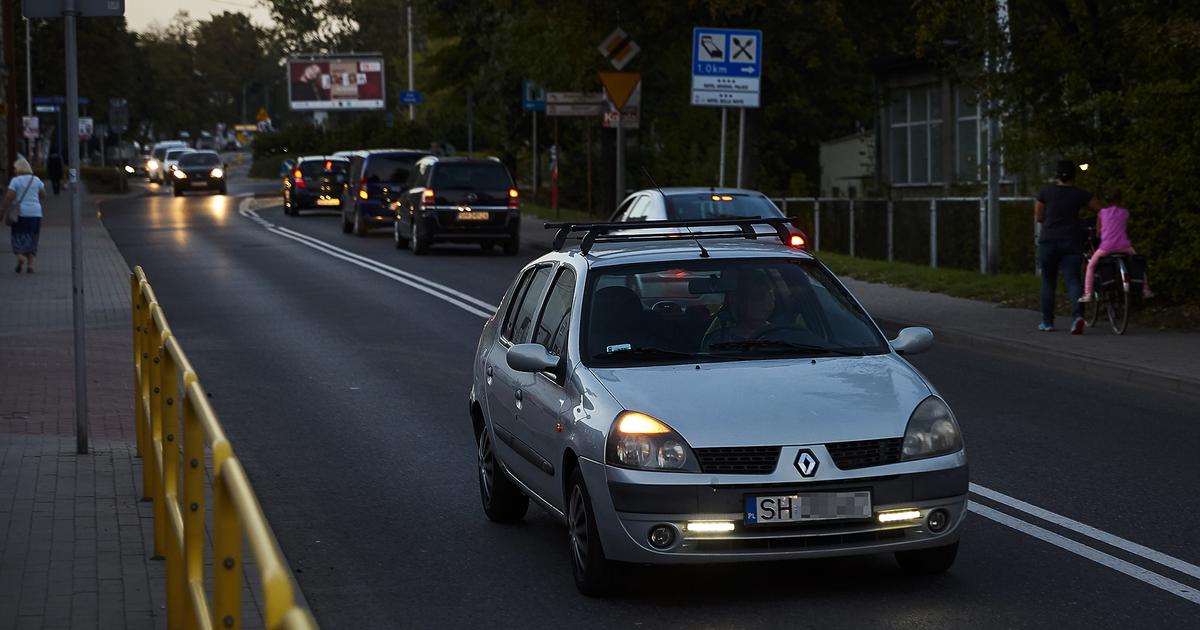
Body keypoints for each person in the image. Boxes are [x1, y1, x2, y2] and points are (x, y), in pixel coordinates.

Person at [1035, 160, 1100, 334]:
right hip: (1072, 241)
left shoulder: (1045, 192)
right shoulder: (1080, 194)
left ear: (1057, 175)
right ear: (1074, 175)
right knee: (1073, 280)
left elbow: (1039, 217)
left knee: (1048, 282)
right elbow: (1101, 210)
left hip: (1048, 241)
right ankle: (1077, 317)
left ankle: (1047, 322)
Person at [1080, 189, 1152, 302]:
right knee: (1138, 263)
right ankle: (1146, 290)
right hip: (1124, 246)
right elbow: (1125, 228)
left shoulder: (1101, 213)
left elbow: (1098, 232)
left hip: (1106, 247)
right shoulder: (1125, 212)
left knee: (1091, 266)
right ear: (1120, 199)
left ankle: (1088, 293)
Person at [701, 272, 777, 349]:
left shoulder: (781, 335)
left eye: (770, 297)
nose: (766, 303)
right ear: (739, 302)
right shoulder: (718, 341)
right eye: (757, 298)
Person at [5, 158, 47, 273]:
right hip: (36, 213)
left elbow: (9, 197)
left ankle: (20, 257)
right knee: (32, 237)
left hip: (21, 214)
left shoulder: (16, 181)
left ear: (19, 168)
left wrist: (3, 209)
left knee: (18, 236)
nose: (14, 170)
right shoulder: (36, 179)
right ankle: (30, 265)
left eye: (15, 168)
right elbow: (43, 195)